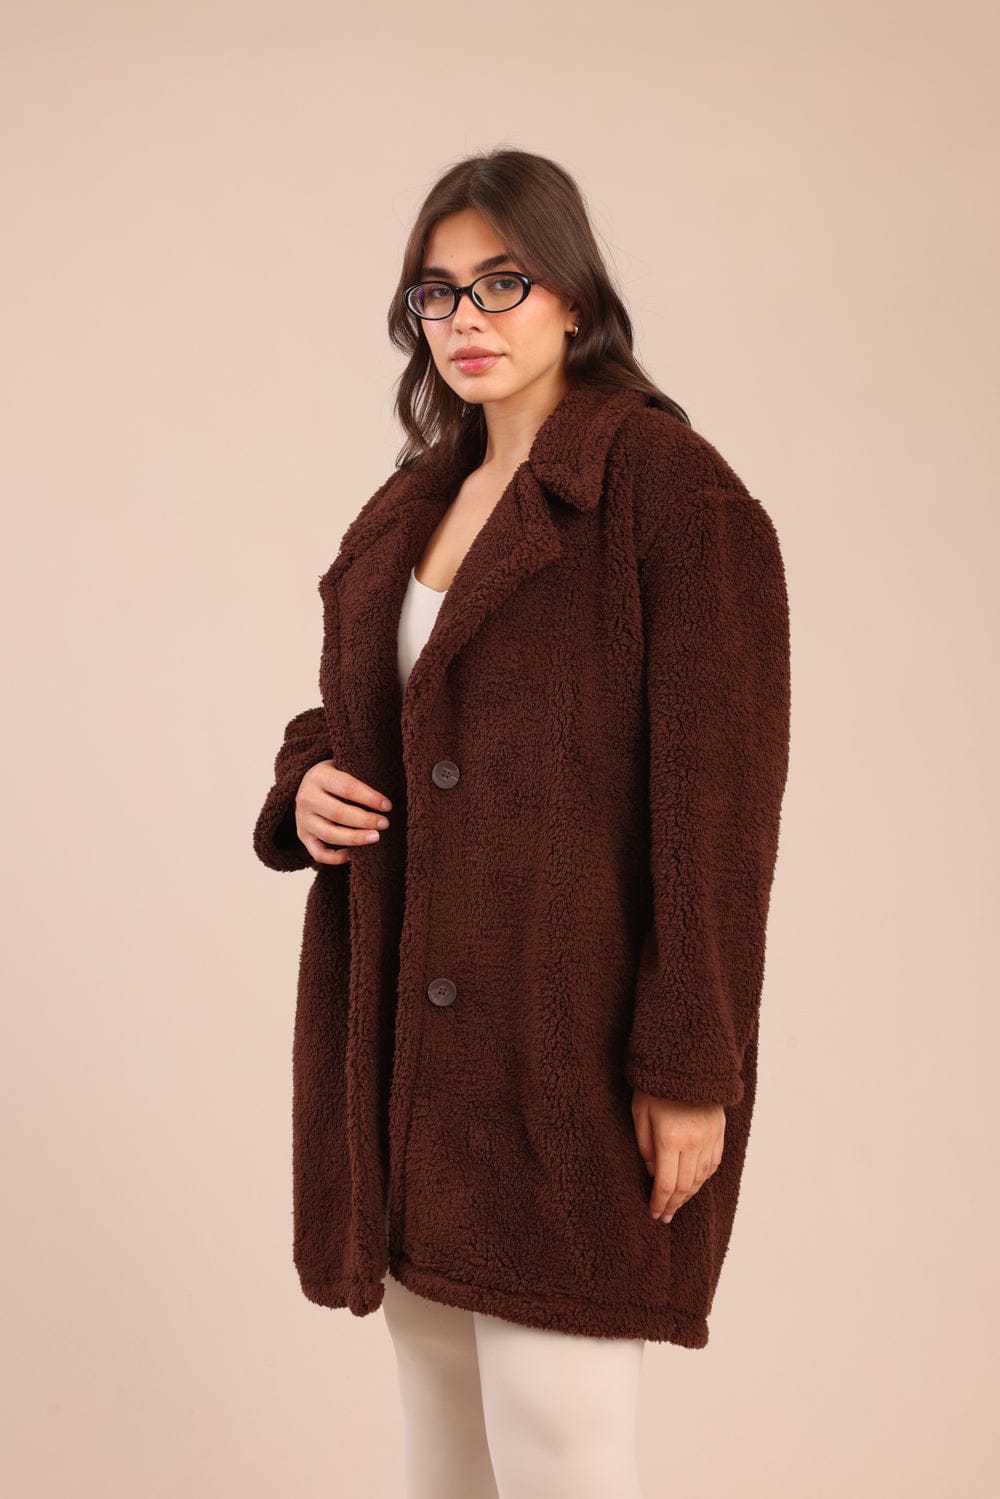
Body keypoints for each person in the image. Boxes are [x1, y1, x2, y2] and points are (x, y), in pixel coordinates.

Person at [252, 147, 791, 1499]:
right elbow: (372, 711)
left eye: (504, 282)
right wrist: (305, 783)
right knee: (442, 1440)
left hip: (569, 1050)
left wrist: (692, 1064)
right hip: (408, 1056)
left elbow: (721, 809)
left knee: (561, 1443)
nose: (468, 318)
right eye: (437, 293)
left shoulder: (669, 493)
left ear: (574, 297)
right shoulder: (415, 500)